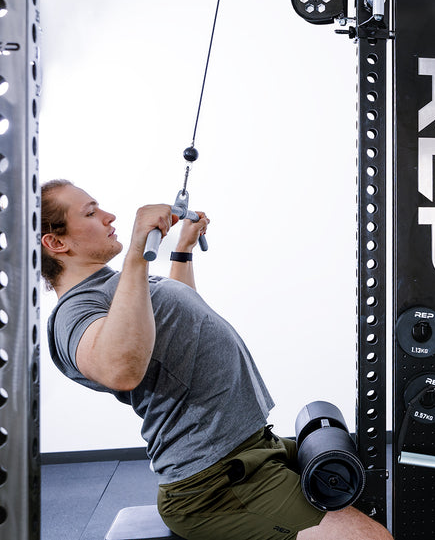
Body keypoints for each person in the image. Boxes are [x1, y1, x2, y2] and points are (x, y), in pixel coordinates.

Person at [41, 179, 392, 540]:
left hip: (250, 447)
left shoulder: (118, 285)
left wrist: (183, 249)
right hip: (215, 482)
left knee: (357, 479)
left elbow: (181, 327)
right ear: (57, 242)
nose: (108, 215)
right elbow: (120, 369)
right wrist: (136, 253)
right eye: (91, 211)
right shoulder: (75, 311)